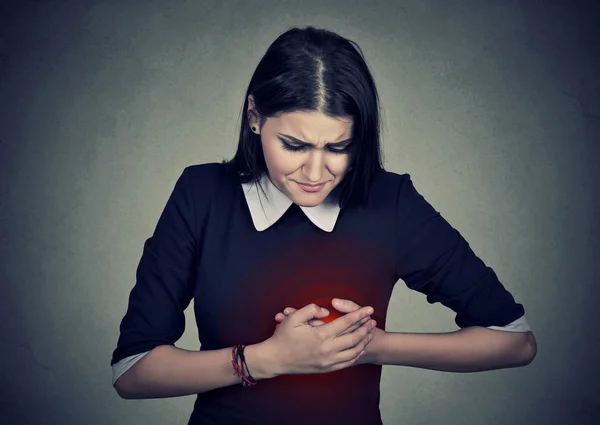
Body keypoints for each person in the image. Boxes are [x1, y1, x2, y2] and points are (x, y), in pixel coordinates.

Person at [110, 26, 537, 424]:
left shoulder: (391, 203)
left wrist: (373, 347)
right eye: (294, 145)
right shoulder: (202, 193)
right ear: (254, 116)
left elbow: (514, 341)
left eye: (338, 147)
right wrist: (267, 359)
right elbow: (133, 371)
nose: (316, 172)